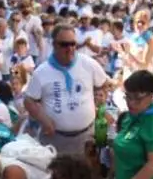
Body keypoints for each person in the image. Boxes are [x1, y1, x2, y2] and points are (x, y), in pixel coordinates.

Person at [24, 24, 109, 156]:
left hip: (87, 136)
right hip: (55, 139)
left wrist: (99, 97)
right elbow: (29, 100)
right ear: (54, 45)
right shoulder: (42, 71)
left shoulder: (88, 63)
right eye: (64, 44)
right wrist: (43, 119)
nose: (70, 48)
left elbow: (103, 83)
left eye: (73, 44)